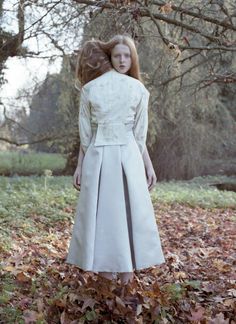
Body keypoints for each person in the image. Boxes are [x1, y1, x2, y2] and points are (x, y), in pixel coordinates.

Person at [66, 35, 165, 285]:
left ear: (133, 59)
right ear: (110, 57)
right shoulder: (138, 89)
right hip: (122, 156)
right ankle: (116, 281)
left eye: (127, 55)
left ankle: (117, 281)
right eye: (117, 55)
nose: (122, 60)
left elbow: (90, 136)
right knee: (116, 215)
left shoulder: (92, 89)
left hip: (103, 156)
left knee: (113, 214)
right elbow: (90, 134)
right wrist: (79, 165)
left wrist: (148, 165)